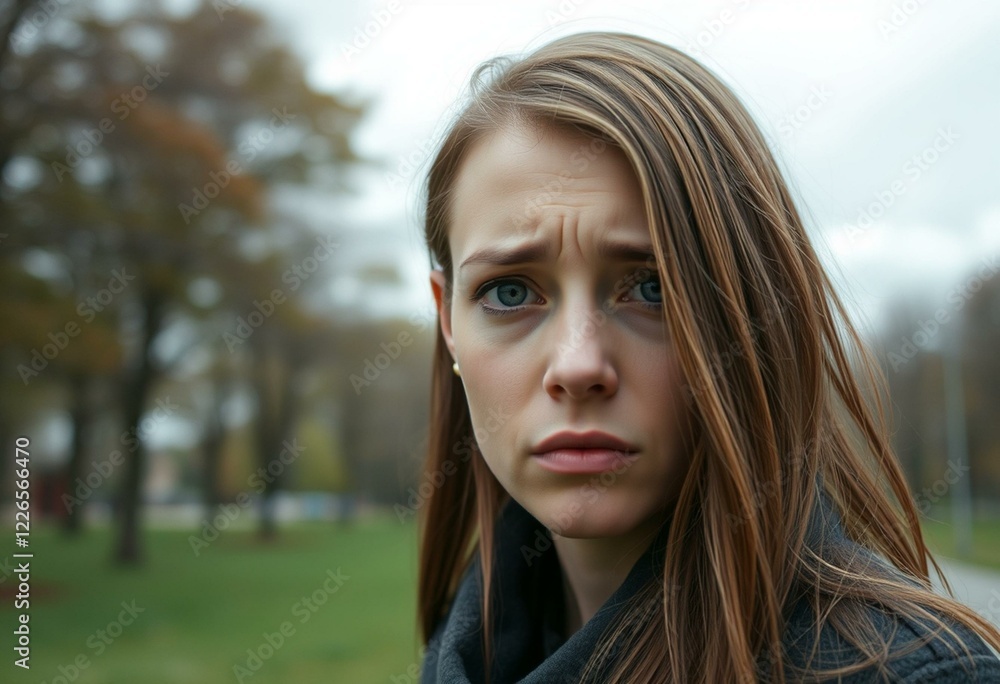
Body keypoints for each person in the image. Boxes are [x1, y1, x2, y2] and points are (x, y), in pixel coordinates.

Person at [414, 31, 1000, 683]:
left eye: (653, 288)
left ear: (753, 315)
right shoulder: (459, 656)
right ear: (448, 320)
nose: (579, 366)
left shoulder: (923, 674)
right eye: (510, 292)